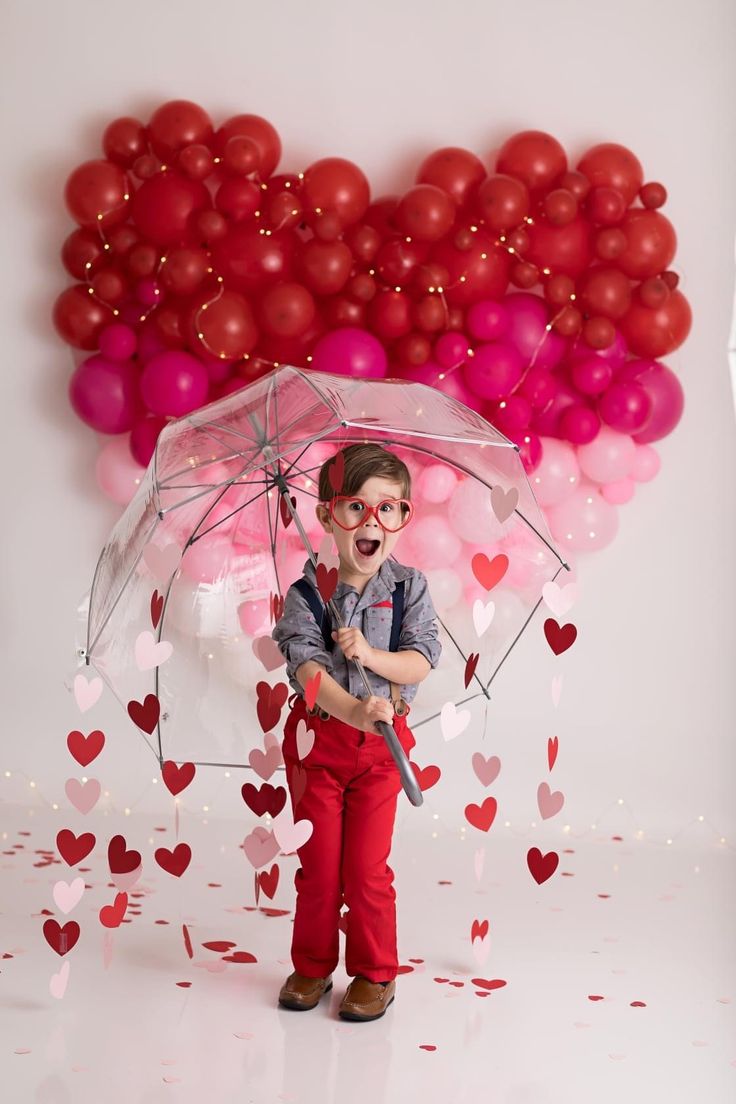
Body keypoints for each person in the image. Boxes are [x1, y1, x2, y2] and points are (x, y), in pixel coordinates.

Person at [272, 442, 442, 1022]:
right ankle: (313, 964)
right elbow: (308, 674)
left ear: (403, 519)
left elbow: (420, 659)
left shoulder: (408, 587)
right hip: (319, 746)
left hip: (380, 752)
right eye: (356, 508)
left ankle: (374, 972)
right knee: (320, 865)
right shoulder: (306, 595)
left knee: (366, 868)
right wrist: (351, 710)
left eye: (389, 508)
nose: (373, 521)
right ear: (326, 516)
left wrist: (371, 654)